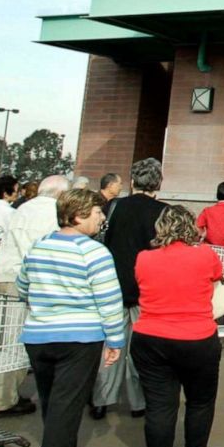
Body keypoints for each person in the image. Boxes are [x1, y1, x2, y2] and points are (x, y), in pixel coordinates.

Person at [18, 189, 126, 447]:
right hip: (79, 340)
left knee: (53, 404)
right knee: (66, 409)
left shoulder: (40, 245)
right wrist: (115, 340)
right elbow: (109, 300)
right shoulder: (94, 252)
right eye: (97, 213)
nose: (101, 218)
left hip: (39, 336)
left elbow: (23, 286)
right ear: (79, 216)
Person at [133, 206, 224, 447]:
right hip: (197, 339)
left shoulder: (144, 258)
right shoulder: (206, 255)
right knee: (200, 402)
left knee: (159, 407)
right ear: (190, 227)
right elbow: (218, 277)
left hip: (150, 338)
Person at [0, 174, 69, 419]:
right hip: (22, 280)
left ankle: (2, 395)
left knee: (0, 339)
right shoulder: (54, 213)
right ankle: (2, 401)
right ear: (62, 194)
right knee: (16, 342)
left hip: (0, 275)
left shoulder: (22, 208)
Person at [92, 158, 168, 421]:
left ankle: (102, 398)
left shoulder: (114, 206)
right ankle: (138, 402)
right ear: (158, 182)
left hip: (113, 285)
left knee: (110, 345)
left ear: (133, 181)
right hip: (146, 289)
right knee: (140, 348)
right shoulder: (164, 212)